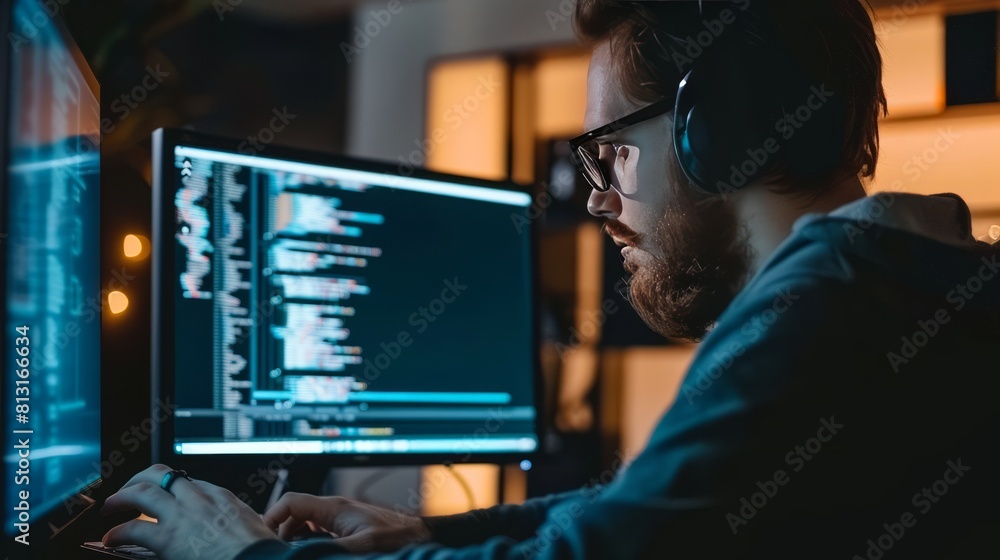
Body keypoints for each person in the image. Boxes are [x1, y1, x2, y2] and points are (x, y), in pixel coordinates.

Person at [101, 1, 1000, 558]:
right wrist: (436, 532)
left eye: (608, 151)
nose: (600, 200)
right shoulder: (912, 279)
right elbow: (649, 515)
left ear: (717, 126)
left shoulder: (829, 301)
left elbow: (614, 550)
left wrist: (246, 556)